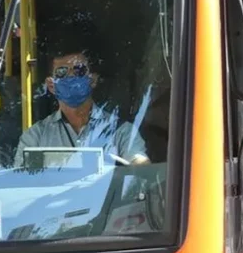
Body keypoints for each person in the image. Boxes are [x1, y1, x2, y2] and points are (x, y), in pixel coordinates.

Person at [14, 44, 149, 167]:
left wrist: (138, 165)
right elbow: (19, 184)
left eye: (79, 70)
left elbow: (140, 167)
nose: (71, 77)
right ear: (51, 85)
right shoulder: (35, 137)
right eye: (62, 72)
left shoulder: (121, 131)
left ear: (93, 80)